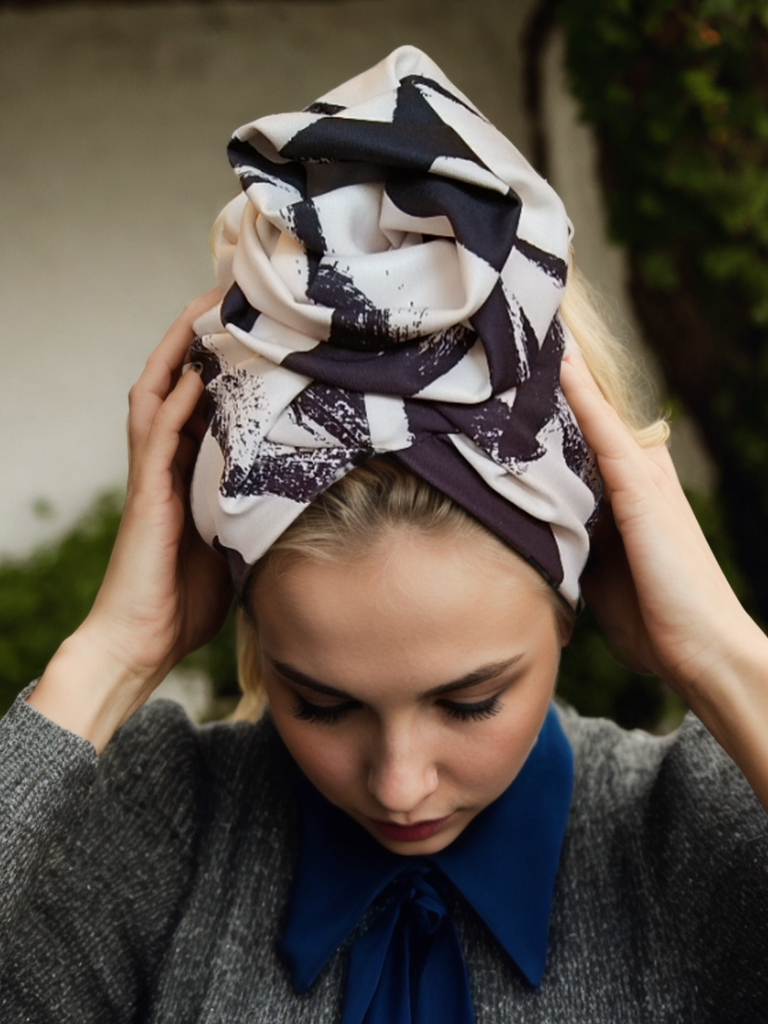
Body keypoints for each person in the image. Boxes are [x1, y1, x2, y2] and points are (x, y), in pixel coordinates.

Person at [1, 45, 767, 1023]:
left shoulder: (697, 843)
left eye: (472, 700)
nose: (401, 785)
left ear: (579, 595)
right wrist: (106, 657)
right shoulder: (150, 838)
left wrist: (721, 652)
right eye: (319, 703)